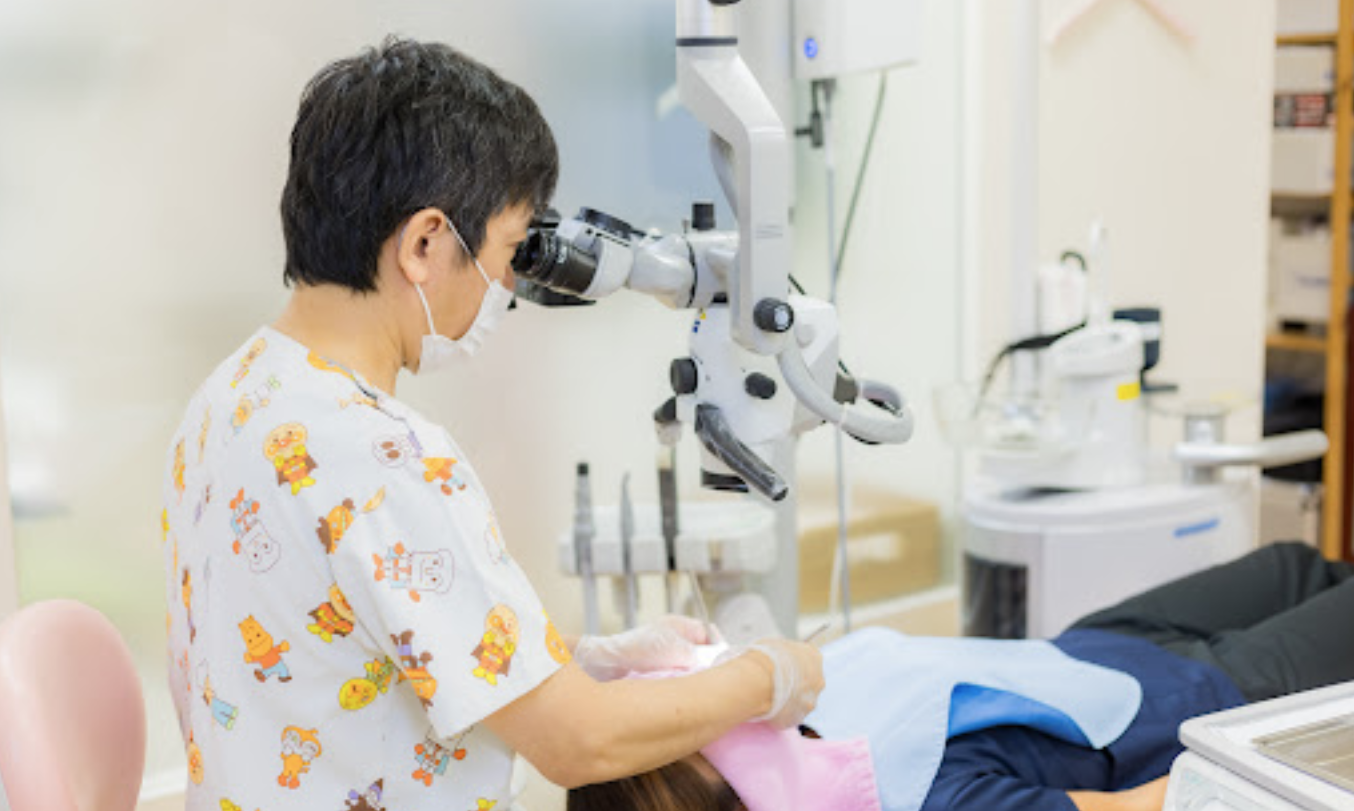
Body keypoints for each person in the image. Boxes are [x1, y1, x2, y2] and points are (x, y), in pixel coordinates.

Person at [161, 38, 824, 811]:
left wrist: (586, 660)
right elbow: (578, 745)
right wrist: (768, 675)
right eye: (508, 252)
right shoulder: (385, 459)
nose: (508, 285)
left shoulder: (227, 400)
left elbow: (352, 648)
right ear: (425, 243)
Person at [567, 542, 1354, 811]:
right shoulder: (916, 797)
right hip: (1197, 702)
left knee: (1295, 565)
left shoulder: (782, 721)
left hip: (1088, 655)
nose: (717, 686)